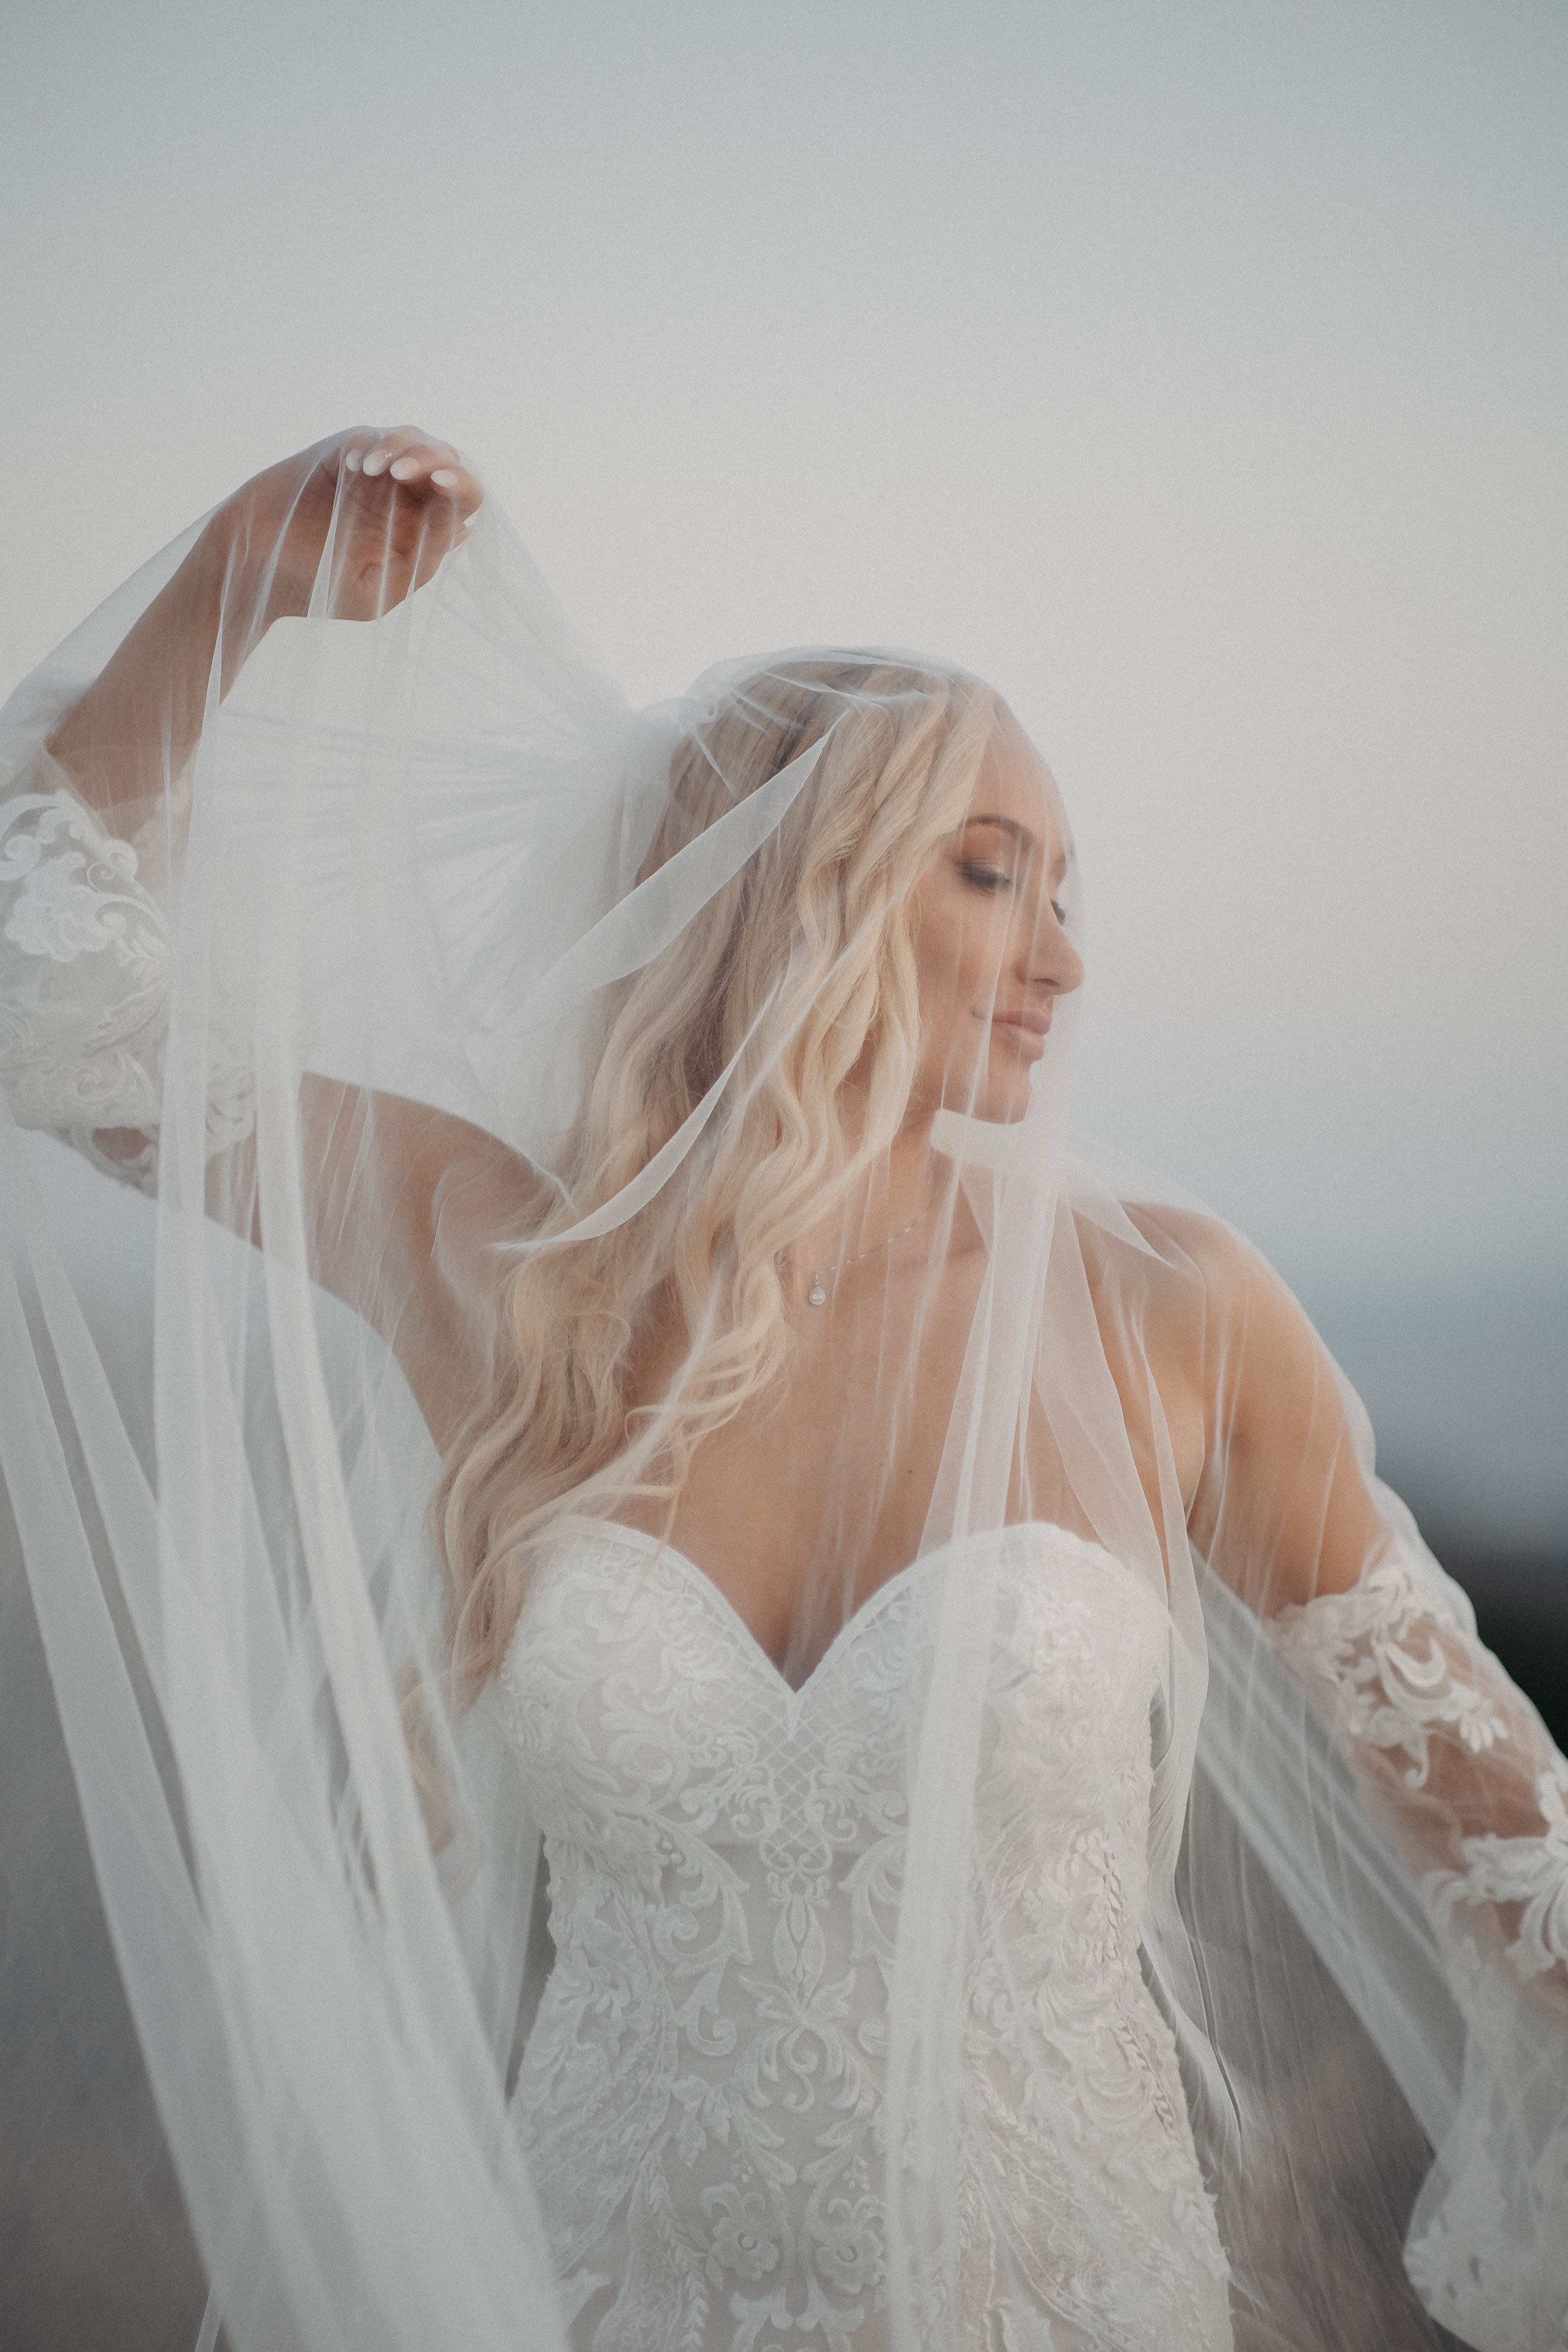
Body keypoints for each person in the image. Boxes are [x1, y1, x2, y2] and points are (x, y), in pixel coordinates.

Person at [1, 428, 1564, 2352]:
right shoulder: (503, 1257)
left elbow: (1509, 1835)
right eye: (996, 875)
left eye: (1075, 891)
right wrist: (238, 577)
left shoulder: (1173, 1311)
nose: (1066, 960)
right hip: (611, 2289)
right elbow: (53, 1003)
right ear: (787, 884)